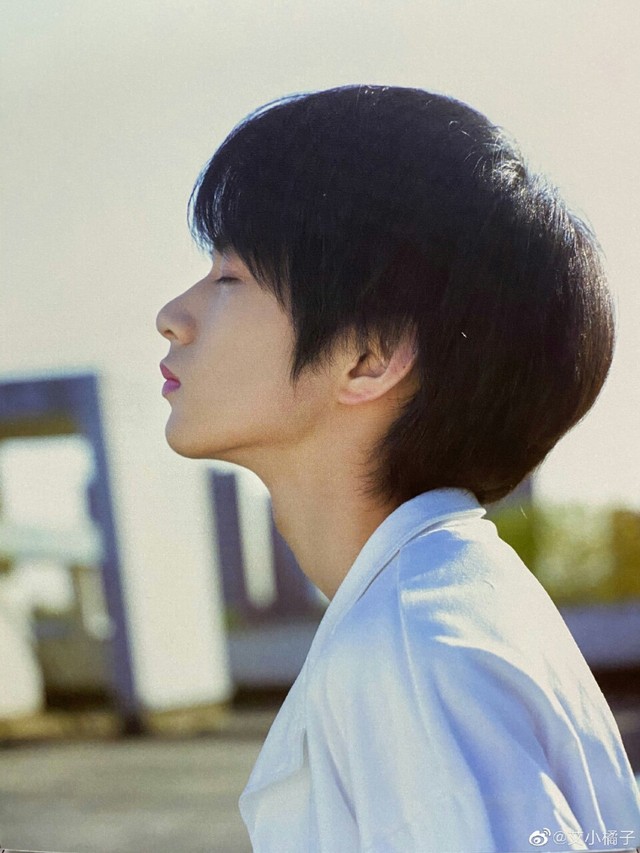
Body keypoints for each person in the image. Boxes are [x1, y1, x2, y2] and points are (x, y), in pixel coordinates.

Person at [156, 85, 640, 852]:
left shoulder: (411, 647)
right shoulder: (442, 605)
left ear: (369, 355)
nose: (172, 317)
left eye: (228, 277)